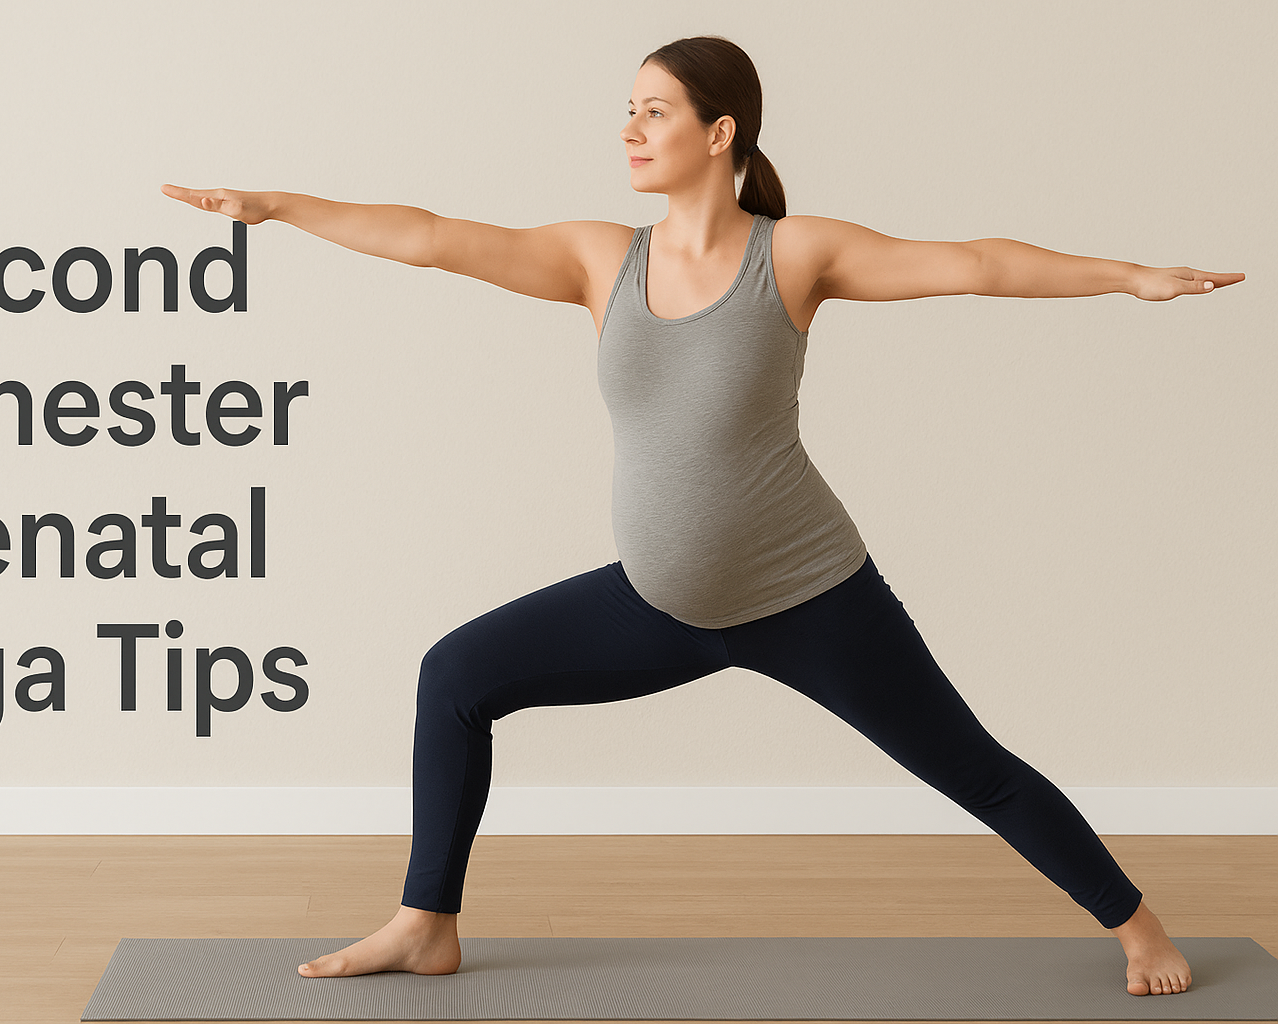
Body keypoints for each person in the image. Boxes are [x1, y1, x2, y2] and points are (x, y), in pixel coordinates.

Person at [163, 34, 1240, 998]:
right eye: (625, 109)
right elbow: (434, 236)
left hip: (809, 595)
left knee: (972, 765)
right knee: (455, 677)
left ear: (721, 133)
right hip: (658, 599)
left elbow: (973, 264)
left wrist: (1129, 276)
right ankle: (424, 922)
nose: (629, 128)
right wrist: (281, 207)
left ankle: (1136, 925)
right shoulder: (601, 260)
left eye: (655, 110)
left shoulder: (794, 254)